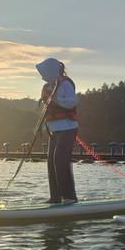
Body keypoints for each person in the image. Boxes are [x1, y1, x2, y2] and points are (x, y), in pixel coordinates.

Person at [36, 58, 78, 204]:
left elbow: (72, 101)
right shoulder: (48, 87)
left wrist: (57, 100)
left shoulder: (65, 84)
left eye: (45, 72)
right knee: (51, 163)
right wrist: (40, 129)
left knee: (60, 161)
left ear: (52, 70)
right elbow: (46, 110)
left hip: (67, 128)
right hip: (53, 130)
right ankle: (55, 198)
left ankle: (69, 197)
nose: (42, 76)